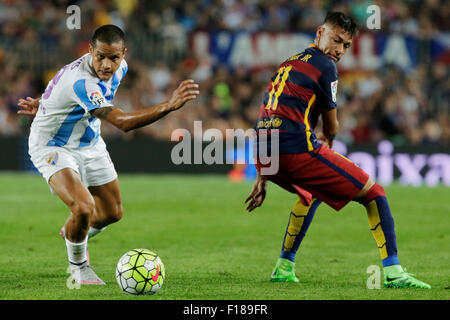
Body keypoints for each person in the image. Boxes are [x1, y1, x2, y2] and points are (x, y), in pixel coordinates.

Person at [244, 12, 430, 289]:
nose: (339, 50)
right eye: (336, 40)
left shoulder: (289, 64)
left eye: (345, 45)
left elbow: (268, 114)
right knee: (374, 193)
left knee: (310, 195)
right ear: (320, 32)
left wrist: (263, 175)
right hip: (295, 150)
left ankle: (284, 266)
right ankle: (394, 273)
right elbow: (331, 125)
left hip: (265, 151)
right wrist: (328, 139)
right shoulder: (325, 66)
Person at [17, 25, 200, 285]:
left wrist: (45, 104)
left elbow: (61, 91)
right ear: (90, 50)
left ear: (124, 54)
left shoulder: (120, 68)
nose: (106, 64)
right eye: (100, 56)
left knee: (112, 213)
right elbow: (123, 123)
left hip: (90, 142)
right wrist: (168, 105)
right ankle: (79, 269)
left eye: (113, 58)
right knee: (83, 207)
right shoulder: (81, 81)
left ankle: (73, 232)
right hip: (53, 145)